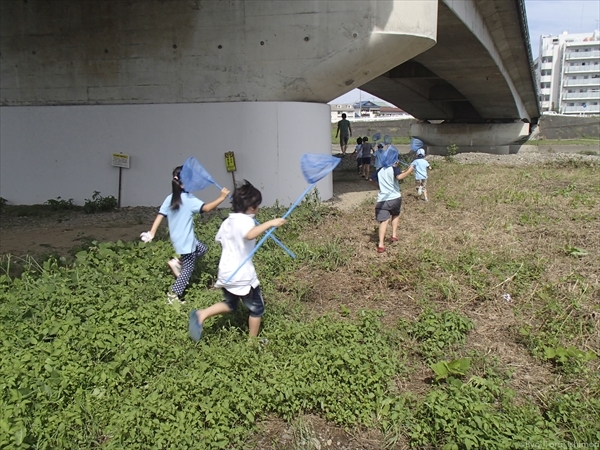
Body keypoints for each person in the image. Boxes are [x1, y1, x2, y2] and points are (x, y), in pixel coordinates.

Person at [188, 180, 287, 341]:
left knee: (230, 304)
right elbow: (249, 234)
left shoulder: (228, 221)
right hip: (242, 276)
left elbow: (220, 239)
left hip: (226, 272)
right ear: (252, 207)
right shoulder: (246, 221)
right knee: (257, 309)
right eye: (258, 205)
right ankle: (252, 342)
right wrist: (271, 223)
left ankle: (202, 314)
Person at [141, 166, 230, 304]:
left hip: (180, 239)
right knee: (188, 269)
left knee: (202, 249)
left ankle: (178, 262)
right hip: (186, 241)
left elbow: (160, 215)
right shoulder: (188, 199)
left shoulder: (170, 198)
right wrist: (221, 198)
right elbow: (206, 208)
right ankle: (174, 295)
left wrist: (151, 232)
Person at [370, 148, 413, 253]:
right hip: (395, 198)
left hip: (382, 200)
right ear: (395, 159)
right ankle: (393, 235)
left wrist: (380, 187)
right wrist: (410, 169)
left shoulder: (379, 170)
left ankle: (380, 244)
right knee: (395, 215)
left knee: (383, 222)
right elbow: (399, 177)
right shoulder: (394, 169)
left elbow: (371, 179)